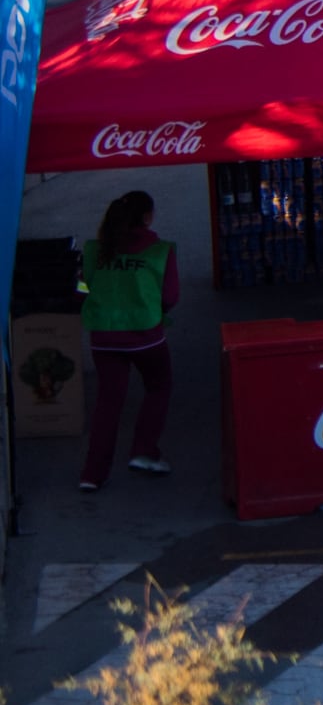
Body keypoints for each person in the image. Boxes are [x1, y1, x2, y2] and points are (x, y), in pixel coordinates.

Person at [77, 190, 174, 490]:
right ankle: (143, 451)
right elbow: (170, 297)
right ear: (147, 217)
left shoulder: (94, 250)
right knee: (159, 387)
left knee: (108, 402)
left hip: (103, 336)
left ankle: (92, 475)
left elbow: (81, 289)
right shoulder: (160, 250)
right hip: (145, 335)